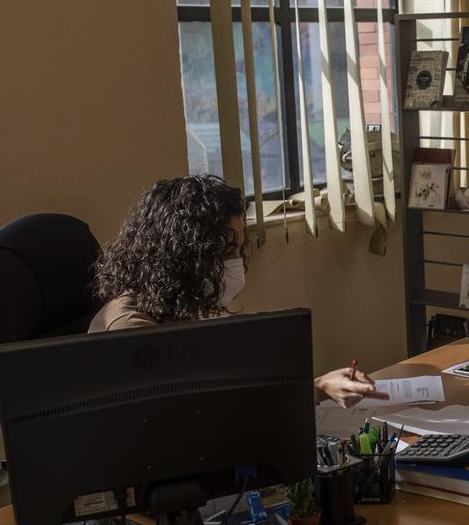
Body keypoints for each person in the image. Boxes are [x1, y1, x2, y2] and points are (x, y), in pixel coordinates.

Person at [89, 175, 387, 408]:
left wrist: (318, 388)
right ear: (183, 254)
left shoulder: (171, 305)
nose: (236, 264)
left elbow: (213, 394)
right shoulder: (132, 331)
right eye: (225, 250)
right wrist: (316, 390)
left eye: (238, 249)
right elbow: (193, 413)